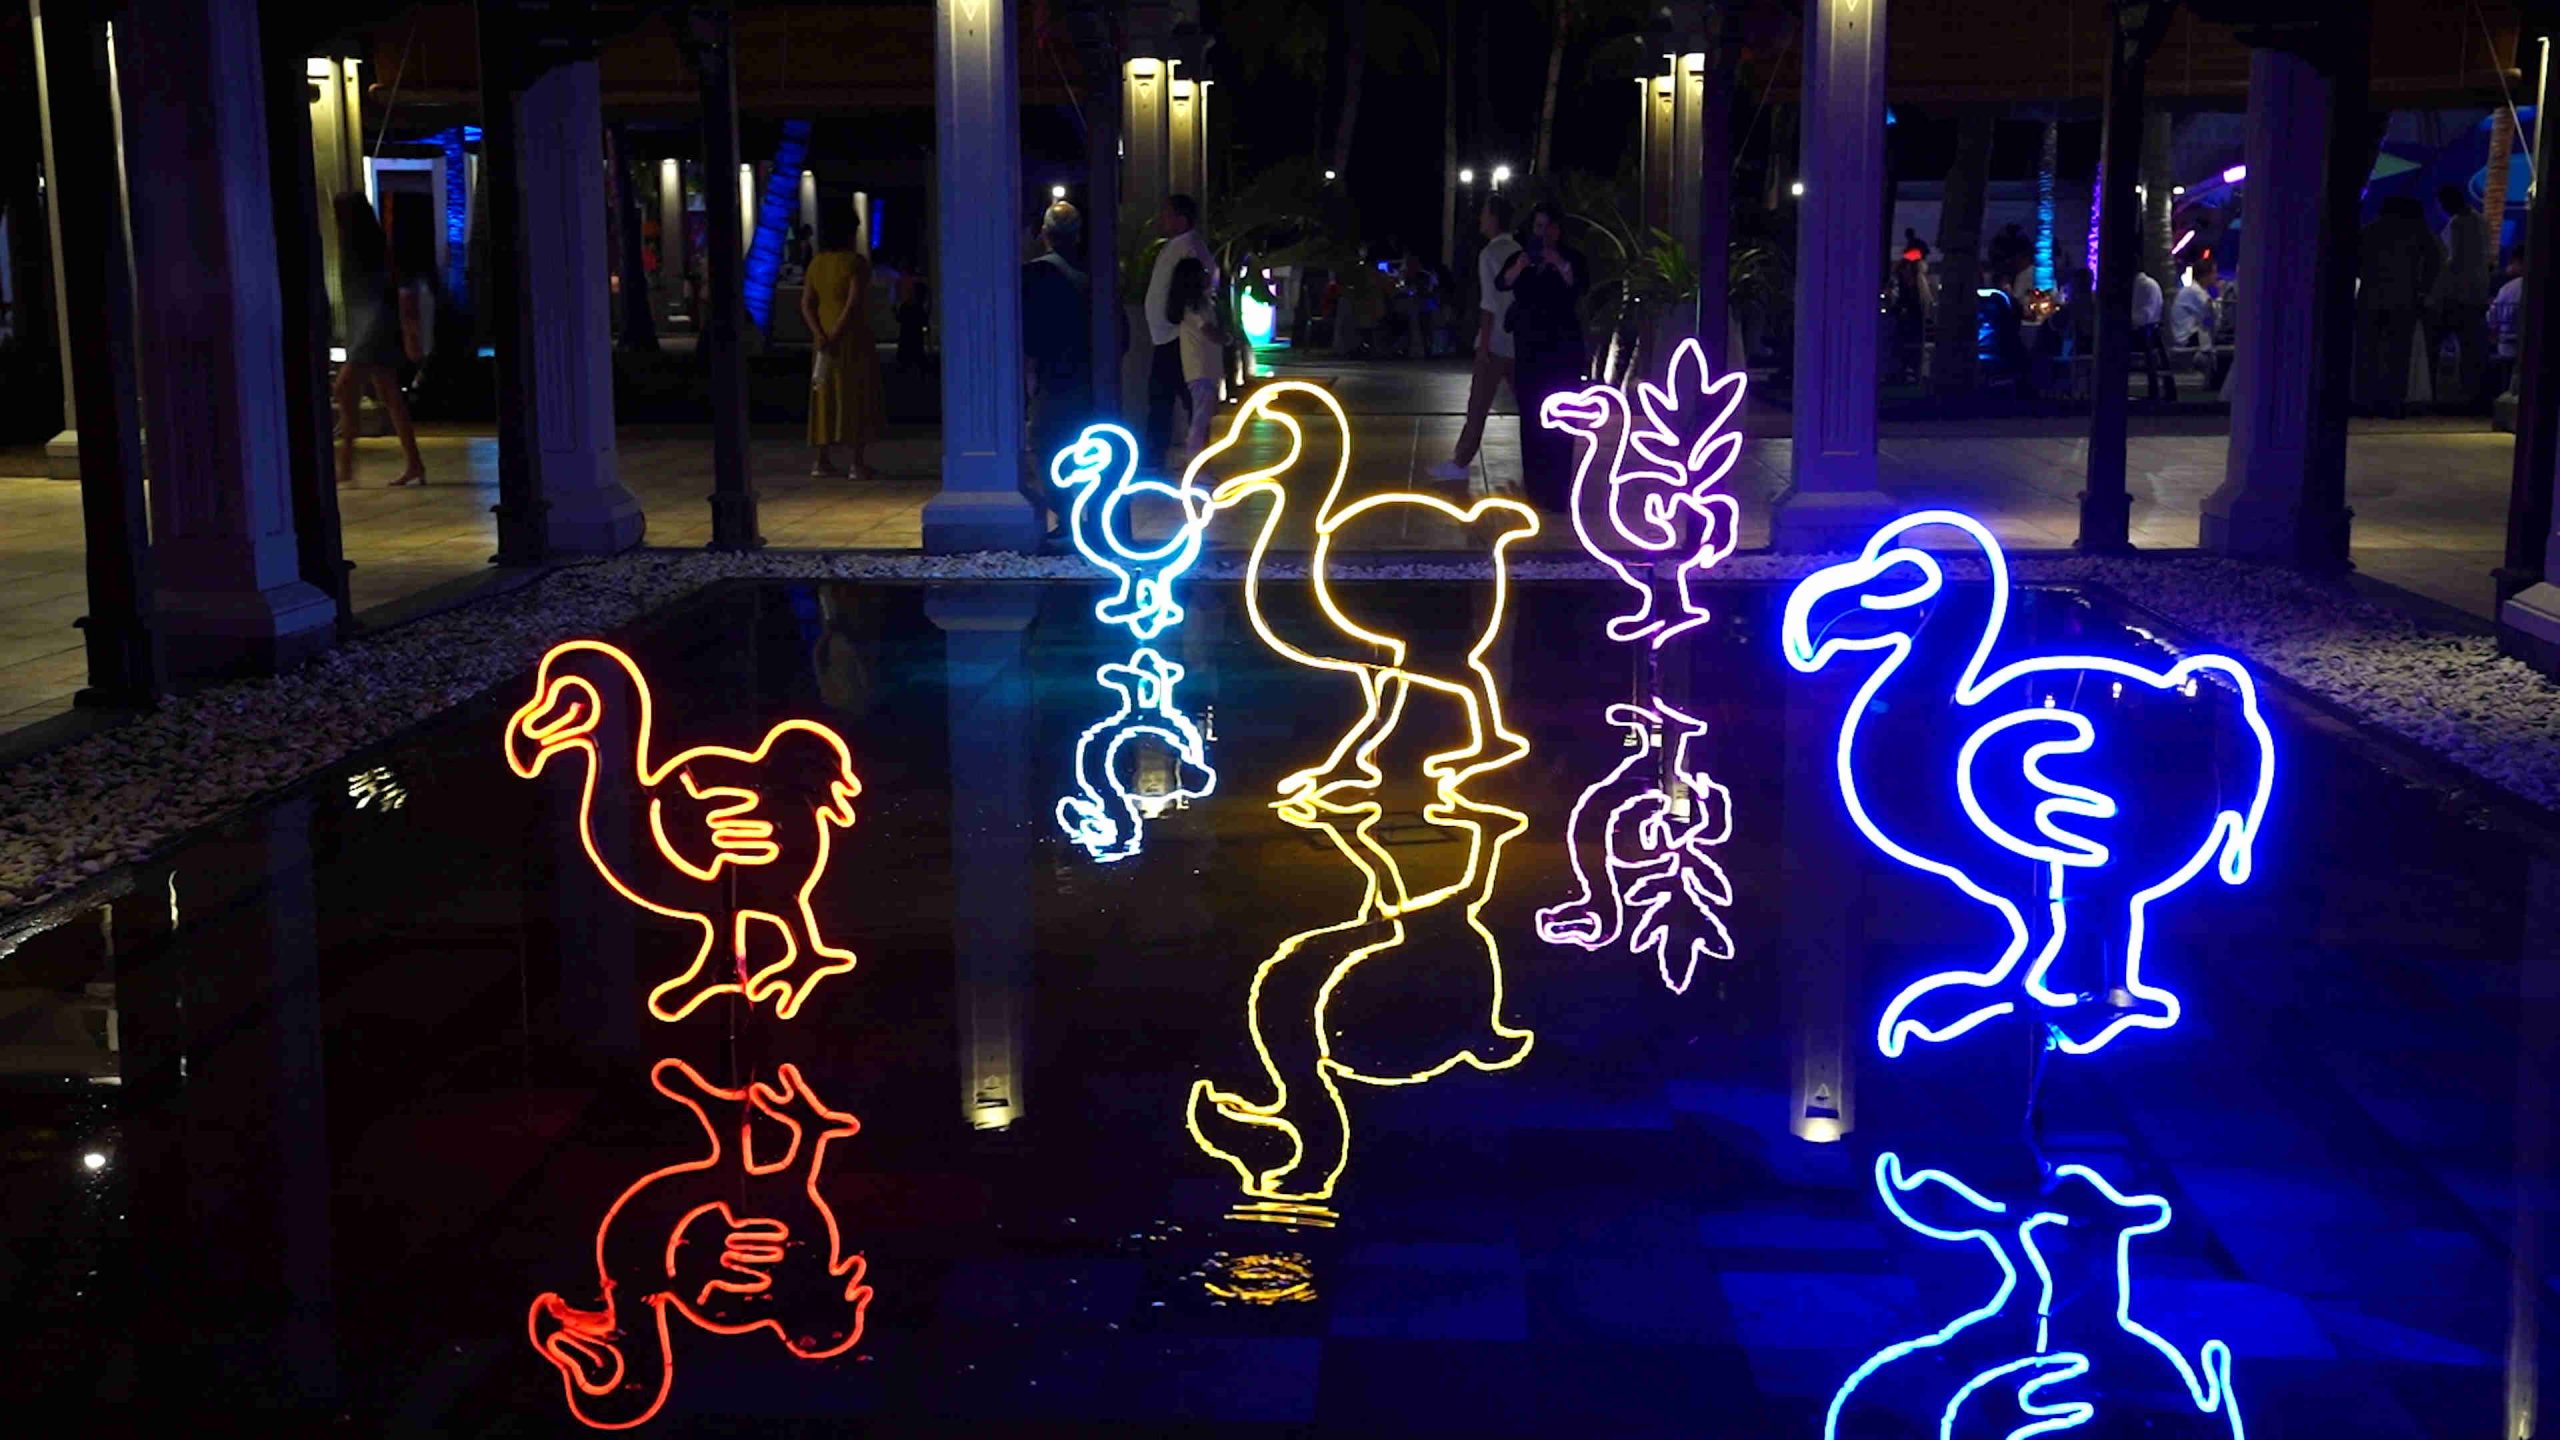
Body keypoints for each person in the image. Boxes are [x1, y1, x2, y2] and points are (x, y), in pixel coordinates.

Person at [1496, 201, 1589, 512]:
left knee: (1562, 418)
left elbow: (1579, 285)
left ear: (1558, 230)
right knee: (1531, 416)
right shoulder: (1523, 256)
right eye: (1538, 227)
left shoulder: (1571, 257)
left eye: (1549, 227)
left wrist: (1559, 263)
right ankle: (1535, 488)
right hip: (1529, 349)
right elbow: (1502, 282)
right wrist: (1521, 265)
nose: (1544, 233)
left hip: (1562, 349)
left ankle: (1558, 491)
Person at [332, 194, 426, 487]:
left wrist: (409, 331)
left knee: (346, 388)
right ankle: (413, 463)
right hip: (368, 327)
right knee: (388, 395)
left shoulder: (365, 251)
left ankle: (346, 464)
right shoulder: (361, 248)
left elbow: (393, 291)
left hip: (372, 328)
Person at [1430, 194, 1523, 481]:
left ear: (1494, 218)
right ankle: (1540, 458)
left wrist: (1483, 345)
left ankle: (1460, 462)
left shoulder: (1489, 254)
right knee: (1527, 403)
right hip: (1519, 341)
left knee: (1478, 405)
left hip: (1495, 341)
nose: (1481, 219)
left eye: (1484, 213)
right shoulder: (1519, 250)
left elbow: (1490, 303)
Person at [1021, 202, 1092, 539]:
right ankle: (1092, 516)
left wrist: (1028, 371)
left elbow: (1029, 330)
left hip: (1052, 374)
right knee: (1089, 445)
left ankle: (1066, 515)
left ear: (1045, 234)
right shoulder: (1094, 273)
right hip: (1090, 372)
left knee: (1047, 443)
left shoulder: (1035, 274)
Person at [801, 205, 886, 479]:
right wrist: (837, 334)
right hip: (852, 339)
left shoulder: (817, 263)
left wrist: (819, 334)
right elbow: (853, 304)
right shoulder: (856, 263)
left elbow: (807, 304)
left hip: (823, 339)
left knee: (822, 394)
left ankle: (821, 459)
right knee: (855, 394)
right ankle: (856, 463)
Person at [1143, 193, 1216, 465]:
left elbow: (1197, 287)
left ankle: (1181, 457)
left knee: (1172, 398)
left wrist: (1184, 316)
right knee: (1165, 397)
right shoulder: (1179, 246)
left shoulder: (1189, 248)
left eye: (1168, 214)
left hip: (1177, 336)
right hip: (1167, 335)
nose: (1162, 219)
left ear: (1182, 219)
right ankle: (1162, 455)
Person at [2355, 194, 2441, 416]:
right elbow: (2435, 258)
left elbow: (2354, 260)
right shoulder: (2416, 231)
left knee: (2367, 352)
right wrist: (2423, 288)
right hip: (2404, 298)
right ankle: (2393, 402)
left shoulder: (2370, 230)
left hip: (2370, 297)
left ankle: (2365, 401)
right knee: (2398, 354)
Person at [2431, 183, 2496, 408]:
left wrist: (2437, 292)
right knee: (2473, 348)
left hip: (2458, 295)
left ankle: (2452, 395)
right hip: (2478, 292)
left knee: (2445, 344)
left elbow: (2453, 262)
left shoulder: (2457, 223)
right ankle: (2473, 395)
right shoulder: (2480, 221)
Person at [1169, 256, 1224, 457]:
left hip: (1205, 370)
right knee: (1200, 420)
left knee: (1204, 419)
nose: (1208, 277)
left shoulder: (1200, 304)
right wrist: (1226, 339)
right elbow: (1208, 330)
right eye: (1204, 273)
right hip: (1200, 370)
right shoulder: (1194, 307)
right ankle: (1196, 463)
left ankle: (1201, 462)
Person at [2169, 253, 2228, 390]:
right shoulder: (2194, 292)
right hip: (2187, 337)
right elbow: (2212, 314)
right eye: (2214, 273)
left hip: (2188, 334)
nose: (2216, 277)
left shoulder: (2194, 290)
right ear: (2205, 275)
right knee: (2221, 343)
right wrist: (2221, 295)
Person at [2488, 251, 2526, 397]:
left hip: (2505, 348)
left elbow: (2492, 319)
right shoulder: (2540, 288)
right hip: (2531, 352)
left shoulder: (2507, 288)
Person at [2130, 266, 2171, 402]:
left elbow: (2145, 316)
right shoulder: (2147, 284)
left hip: (2145, 333)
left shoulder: (2142, 285)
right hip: (2150, 331)